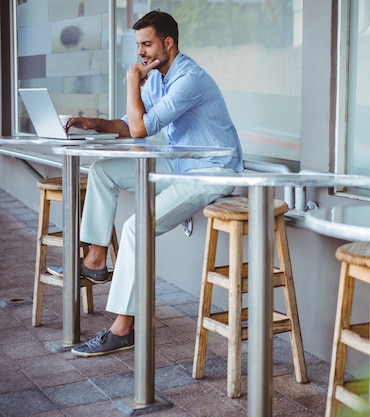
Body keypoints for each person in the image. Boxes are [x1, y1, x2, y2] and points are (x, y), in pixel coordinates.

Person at [48, 10, 243, 357]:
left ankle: (123, 329)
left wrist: (130, 80)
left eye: (147, 44)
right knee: (103, 170)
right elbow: (129, 123)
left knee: (136, 228)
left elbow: (141, 129)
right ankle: (95, 261)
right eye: (138, 45)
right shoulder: (157, 77)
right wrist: (95, 123)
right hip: (181, 162)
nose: (141, 52)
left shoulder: (190, 78)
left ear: (168, 42)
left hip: (210, 170)